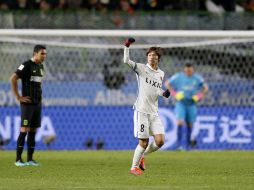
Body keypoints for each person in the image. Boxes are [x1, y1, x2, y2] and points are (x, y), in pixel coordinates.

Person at [123, 38, 170, 175]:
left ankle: (143, 156)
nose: (151, 57)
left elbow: (155, 90)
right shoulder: (141, 69)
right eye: (149, 55)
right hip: (141, 111)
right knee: (143, 142)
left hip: (154, 112)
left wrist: (163, 93)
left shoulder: (161, 74)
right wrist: (127, 46)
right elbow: (126, 61)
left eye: (154, 55)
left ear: (158, 58)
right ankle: (133, 167)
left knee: (160, 141)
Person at [10, 45, 47, 166]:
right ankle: (18, 160)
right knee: (24, 129)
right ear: (35, 53)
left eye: (45, 54)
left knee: (33, 130)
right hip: (27, 104)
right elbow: (13, 78)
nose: (44, 56)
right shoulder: (26, 65)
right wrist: (18, 97)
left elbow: (38, 85)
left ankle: (30, 159)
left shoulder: (40, 66)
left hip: (37, 104)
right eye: (42, 53)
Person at [164, 63, 208, 150]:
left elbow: (205, 87)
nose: (188, 72)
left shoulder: (197, 78)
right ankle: (179, 145)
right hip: (181, 103)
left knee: (190, 124)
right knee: (180, 122)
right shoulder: (178, 77)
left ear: (193, 69)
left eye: (190, 70)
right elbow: (167, 84)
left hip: (191, 103)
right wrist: (174, 94)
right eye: (187, 70)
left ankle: (188, 145)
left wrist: (199, 96)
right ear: (184, 70)